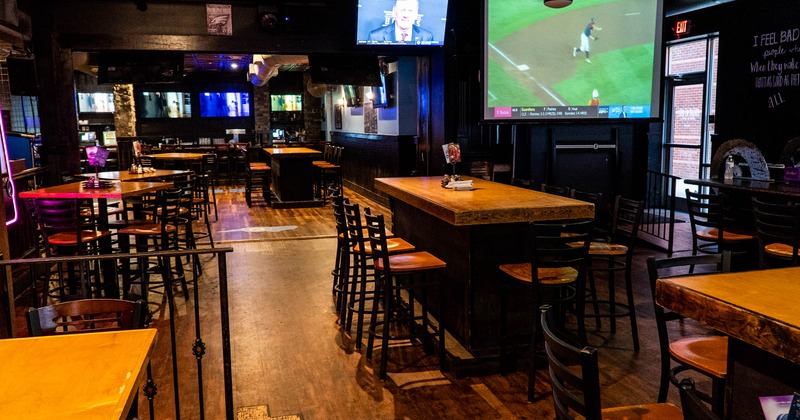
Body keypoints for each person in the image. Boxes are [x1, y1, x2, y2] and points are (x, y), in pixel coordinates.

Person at [367, 0, 434, 43]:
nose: (406, 15)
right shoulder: (375, 36)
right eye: (402, 10)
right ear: (394, 11)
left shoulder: (427, 37)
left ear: (416, 13)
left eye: (410, 11)